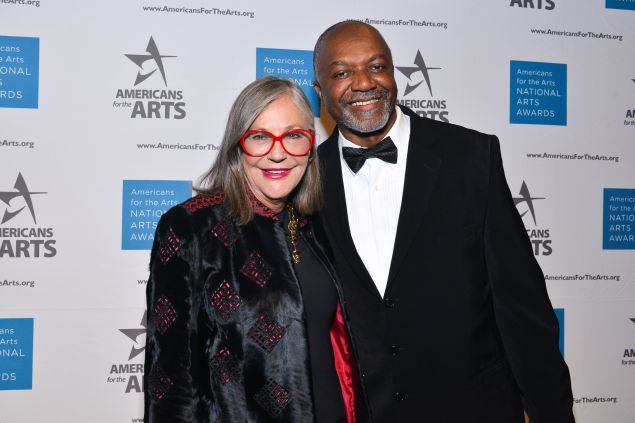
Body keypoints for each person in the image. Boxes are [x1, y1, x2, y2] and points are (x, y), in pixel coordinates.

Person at [313, 21, 575, 423]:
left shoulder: (471, 157)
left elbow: (523, 312)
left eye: (377, 66)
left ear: (395, 75)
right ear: (320, 92)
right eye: (342, 72)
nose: (363, 82)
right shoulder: (306, 180)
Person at [144, 76, 358, 423]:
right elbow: (170, 381)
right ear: (237, 146)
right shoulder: (191, 228)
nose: (278, 152)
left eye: (293, 136)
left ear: (310, 145)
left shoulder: (316, 224)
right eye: (259, 137)